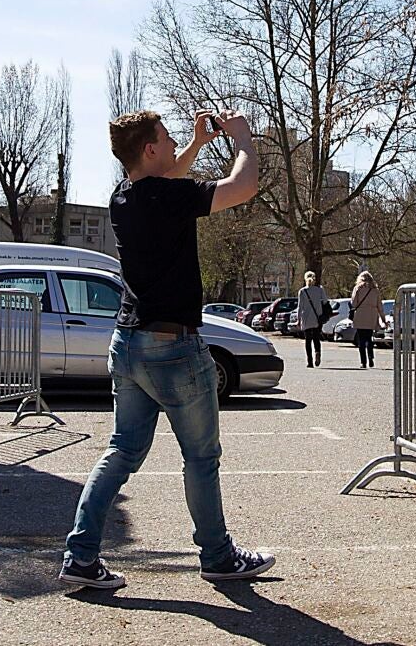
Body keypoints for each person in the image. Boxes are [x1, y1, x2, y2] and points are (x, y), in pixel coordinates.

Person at [60, 109, 275, 591]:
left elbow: (165, 173)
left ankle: (80, 557)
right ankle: (218, 557)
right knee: (201, 457)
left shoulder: (123, 197)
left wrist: (197, 145)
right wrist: (243, 140)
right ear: (151, 148)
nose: (176, 143)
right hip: (172, 348)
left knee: (121, 452)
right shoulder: (170, 196)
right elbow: (243, 187)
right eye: (169, 138)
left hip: (128, 343)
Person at [295, 270, 329, 368]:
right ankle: (317, 353)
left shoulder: (302, 291)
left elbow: (300, 307)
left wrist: (298, 319)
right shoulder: (319, 290)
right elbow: (325, 301)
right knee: (316, 338)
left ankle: (309, 362)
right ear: (314, 279)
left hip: (306, 319)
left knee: (308, 340)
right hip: (317, 318)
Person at [350, 271, 383, 369]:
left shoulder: (358, 288)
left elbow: (354, 303)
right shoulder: (375, 290)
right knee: (369, 338)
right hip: (372, 315)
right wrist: (383, 319)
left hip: (360, 315)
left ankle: (363, 362)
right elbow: (380, 306)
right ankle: (371, 357)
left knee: (361, 340)